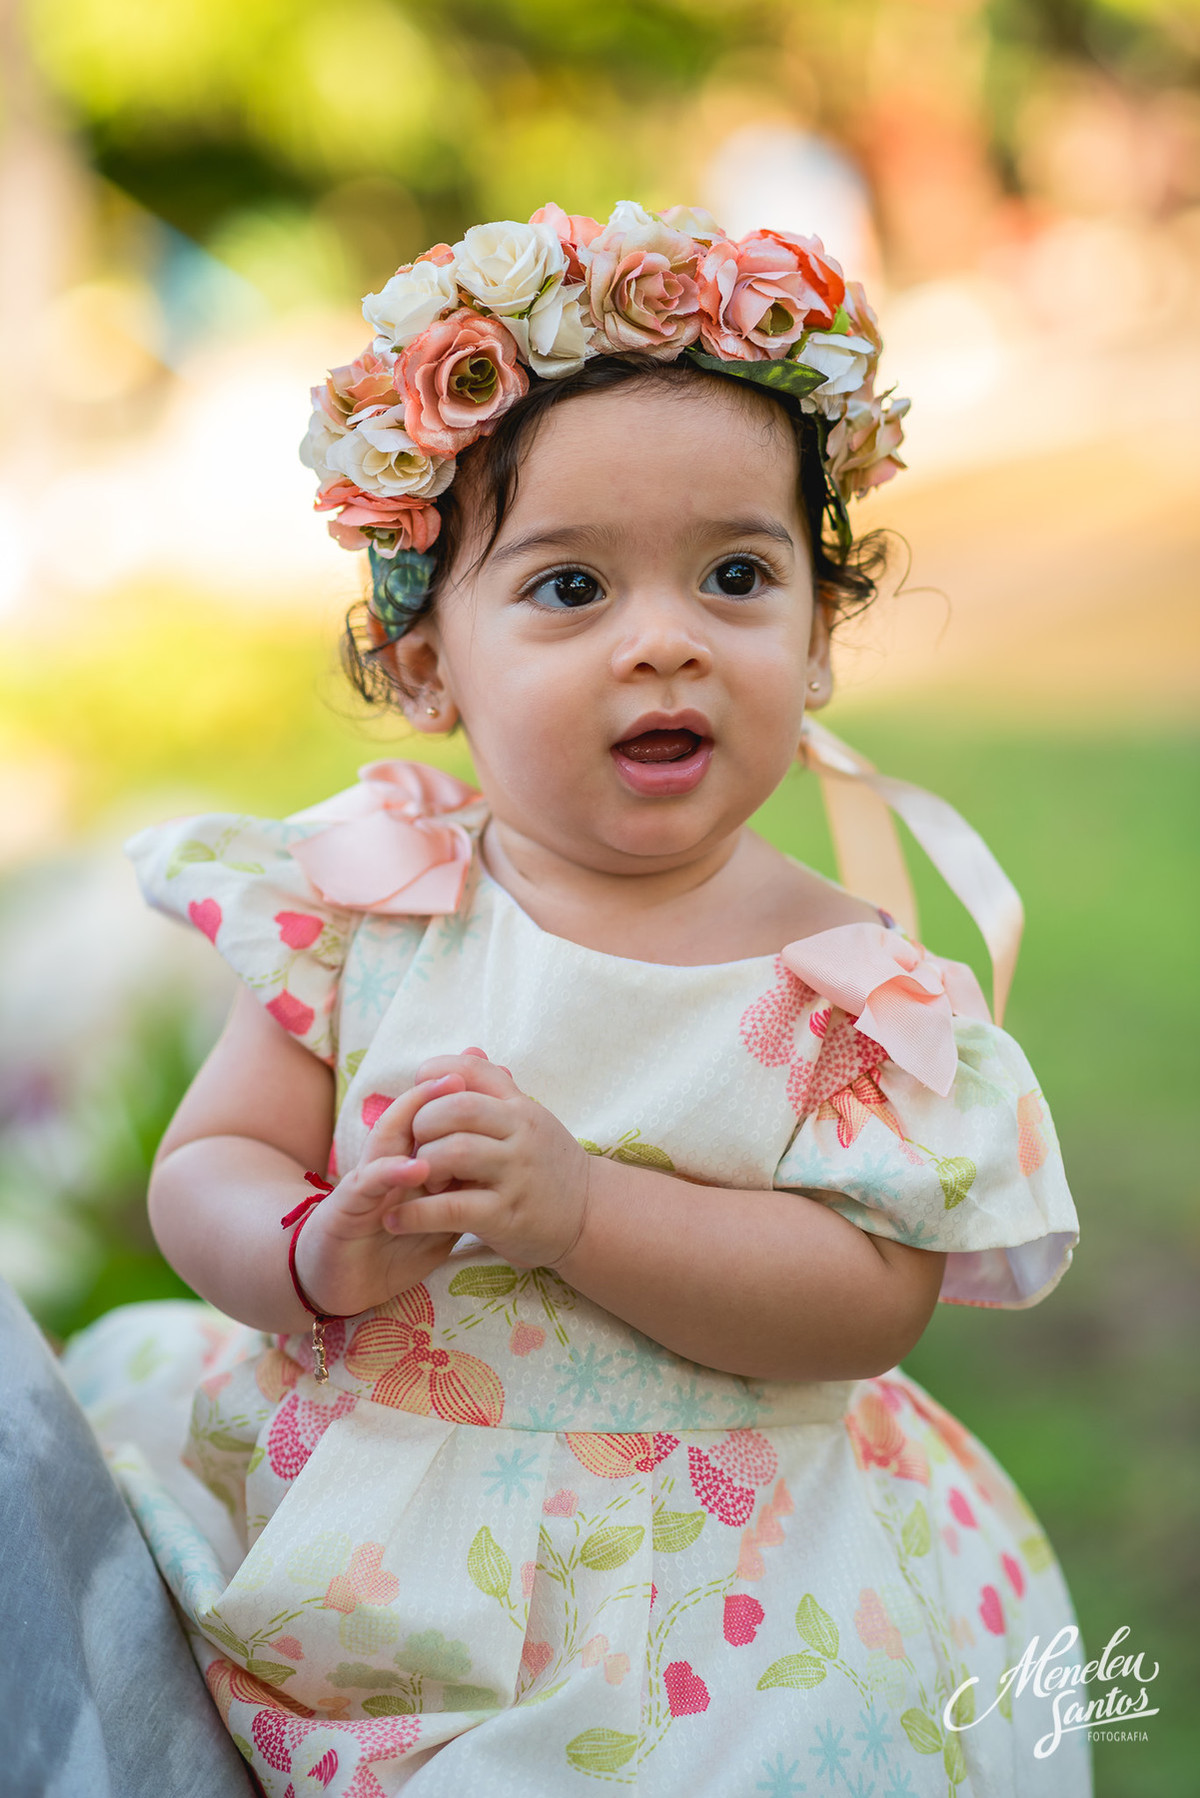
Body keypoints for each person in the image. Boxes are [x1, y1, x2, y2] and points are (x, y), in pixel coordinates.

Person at [64, 202, 1091, 1796]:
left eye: (736, 575)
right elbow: (208, 1165)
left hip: (715, 1601)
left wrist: (581, 1208)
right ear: (425, 667)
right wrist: (311, 1248)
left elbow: (871, 1297)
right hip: (363, 1529)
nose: (664, 642)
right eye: (569, 590)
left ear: (819, 636)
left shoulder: (848, 983)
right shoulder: (371, 901)